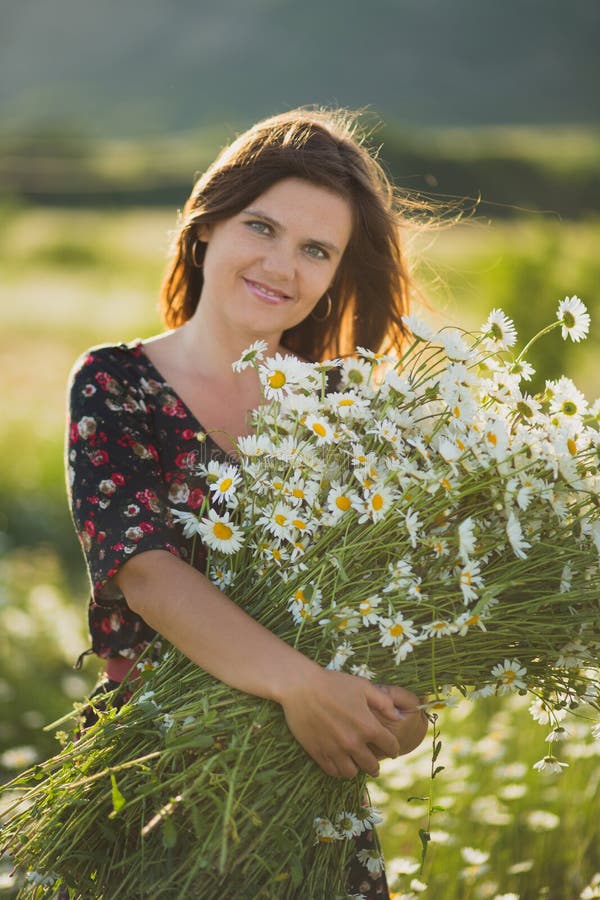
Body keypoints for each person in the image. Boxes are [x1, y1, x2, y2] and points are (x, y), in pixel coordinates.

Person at [67, 107, 428, 898]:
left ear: (336, 273)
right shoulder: (114, 383)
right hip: (155, 781)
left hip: (312, 806)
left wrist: (391, 717)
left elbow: (391, 622)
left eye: (315, 250)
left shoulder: (347, 408)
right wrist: (301, 685)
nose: (281, 265)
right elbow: (147, 571)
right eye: (260, 227)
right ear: (206, 226)